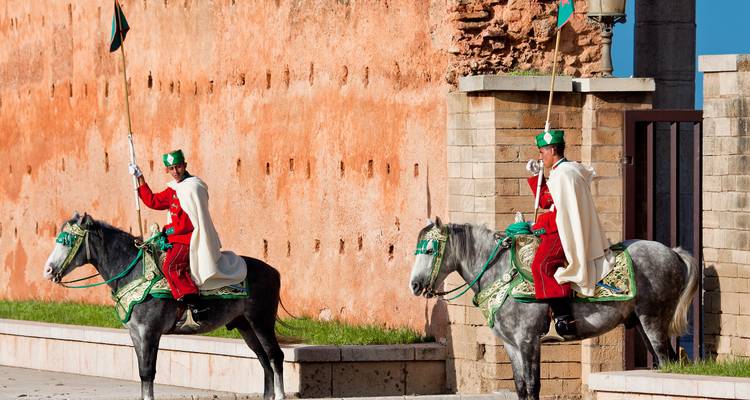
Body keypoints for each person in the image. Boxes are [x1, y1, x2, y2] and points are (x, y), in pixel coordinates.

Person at [128, 150, 246, 320]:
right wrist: (140, 178)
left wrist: (167, 231)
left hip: (188, 238)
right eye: (171, 168)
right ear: (166, 170)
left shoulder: (193, 187)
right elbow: (153, 201)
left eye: (178, 167)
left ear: (185, 165)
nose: (175, 171)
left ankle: (195, 305)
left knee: (171, 266)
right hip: (173, 239)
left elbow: (188, 224)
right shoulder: (173, 189)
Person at [526, 130, 615, 336]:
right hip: (557, 225)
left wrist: (536, 178)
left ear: (553, 149)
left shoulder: (564, 173)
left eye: (542, 152)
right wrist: (537, 176)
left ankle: (563, 318)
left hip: (561, 230)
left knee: (541, 266)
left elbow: (551, 204)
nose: (541, 157)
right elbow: (548, 201)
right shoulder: (563, 171)